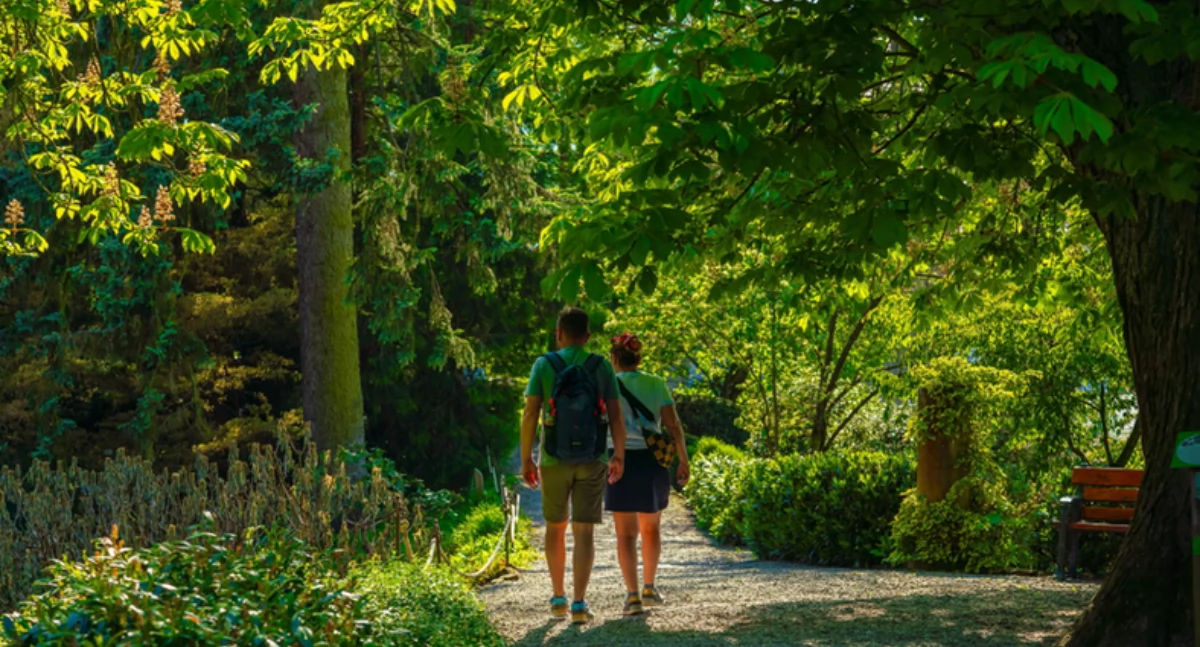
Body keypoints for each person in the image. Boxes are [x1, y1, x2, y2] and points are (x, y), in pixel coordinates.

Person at [521, 307, 627, 625]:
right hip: (593, 458)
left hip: (553, 458)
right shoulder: (600, 366)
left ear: (558, 332)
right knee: (584, 531)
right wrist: (618, 455)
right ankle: (579, 603)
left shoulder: (544, 364)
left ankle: (558, 598)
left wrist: (527, 457)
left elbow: (529, 413)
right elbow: (615, 414)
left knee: (555, 527)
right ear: (587, 336)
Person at [605, 332, 691, 615]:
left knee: (625, 534)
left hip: (619, 460)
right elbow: (674, 425)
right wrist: (683, 459)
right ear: (638, 358)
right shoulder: (656, 383)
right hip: (653, 460)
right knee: (651, 528)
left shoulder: (608, 385)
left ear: (615, 358)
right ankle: (650, 588)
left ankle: (632, 597)